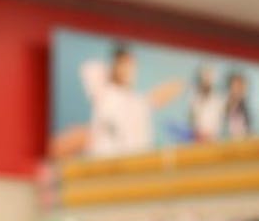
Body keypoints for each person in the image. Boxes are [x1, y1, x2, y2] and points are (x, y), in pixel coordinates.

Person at [51, 45, 184, 159]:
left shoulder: (139, 102)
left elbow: (165, 92)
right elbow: (90, 69)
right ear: (114, 65)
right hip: (104, 163)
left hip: (133, 170)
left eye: (130, 65)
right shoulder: (105, 91)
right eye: (122, 64)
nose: (126, 70)